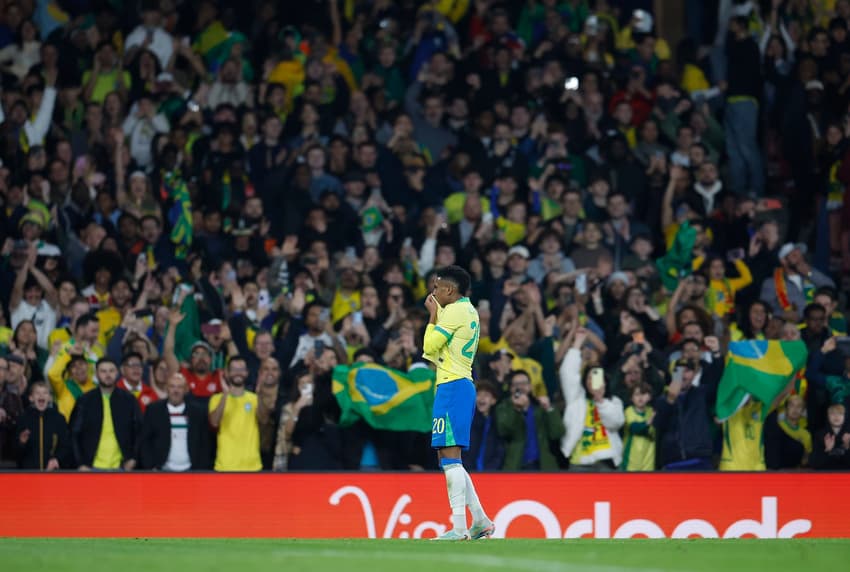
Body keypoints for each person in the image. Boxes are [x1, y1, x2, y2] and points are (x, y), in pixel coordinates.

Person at [422, 265, 493, 540]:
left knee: (450, 459)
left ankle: (460, 528)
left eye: (437, 287)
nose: (434, 292)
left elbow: (429, 348)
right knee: (449, 458)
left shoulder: (451, 312)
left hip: (453, 386)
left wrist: (432, 315)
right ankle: (481, 521)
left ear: (449, 290)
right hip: (459, 385)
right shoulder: (469, 309)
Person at [69, 358, 142, 470]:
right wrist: (80, 463)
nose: (108, 375)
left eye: (111, 371)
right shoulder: (85, 400)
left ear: (117, 373)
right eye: (103, 371)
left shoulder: (129, 400)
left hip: (122, 467)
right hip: (91, 467)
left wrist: (133, 459)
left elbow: (139, 431)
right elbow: (74, 433)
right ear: (96, 374)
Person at [139, 373, 211, 471]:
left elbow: (205, 443)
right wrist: (151, 466)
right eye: (172, 386)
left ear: (186, 390)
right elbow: (145, 441)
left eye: (180, 387)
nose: (175, 391)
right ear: (166, 388)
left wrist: (201, 469)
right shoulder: (153, 410)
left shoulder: (198, 412)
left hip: (192, 471)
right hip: (162, 471)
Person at [495, 369, 564, 471]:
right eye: (516, 384)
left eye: (524, 383)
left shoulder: (541, 407)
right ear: (510, 388)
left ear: (530, 386)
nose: (520, 387)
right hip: (516, 465)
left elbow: (557, 433)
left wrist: (549, 409)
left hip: (543, 465)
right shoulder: (504, 407)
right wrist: (518, 410)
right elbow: (504, 431)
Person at [208, 356, 262, 471]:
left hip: (252, 466)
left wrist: (260, 395)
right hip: (226, 465)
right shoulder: (216, 399)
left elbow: (264, 420)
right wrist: (225, 395)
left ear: (247, 373)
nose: (238, 373)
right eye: (234, 369)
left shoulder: (254, 398)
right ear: (227, 373)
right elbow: (214, 422)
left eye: (241, 369)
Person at [15, 381, 70, 470]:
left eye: (45, 393)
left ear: (50, 398)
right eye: (37, 393)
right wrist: (21, 442)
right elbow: (15, 452)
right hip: (28, 475)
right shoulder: (23, 419)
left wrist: (56, 459)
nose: (41, 396)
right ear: (31, 398)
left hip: (51, 474)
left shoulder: (59, 419)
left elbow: (66, 445)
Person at [622, 383, 656, 471]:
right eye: (637, 394)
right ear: (631, 398)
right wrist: (648, 422)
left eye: (644, 394)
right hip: (631, 460)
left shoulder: (652, 411)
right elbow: (634, 428)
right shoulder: (629, 411)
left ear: (650, 397)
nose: (640, 397)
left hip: (648, 460)